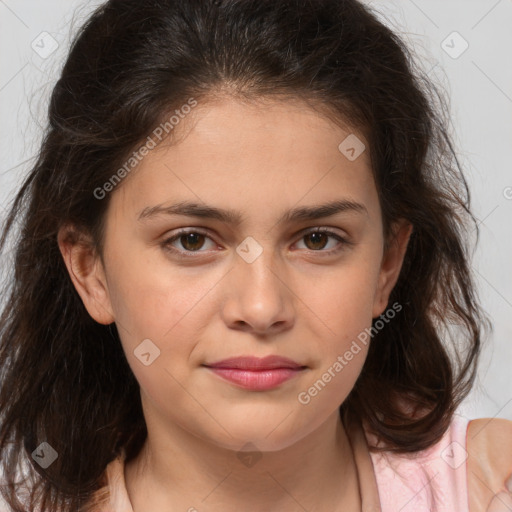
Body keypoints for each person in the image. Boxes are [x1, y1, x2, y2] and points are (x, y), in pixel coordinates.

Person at [0, 0, 511, 511]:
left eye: (317, 239)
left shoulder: (493, 487)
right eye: (191, 240)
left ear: (386, 264)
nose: (263, 308)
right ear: (90, 271)